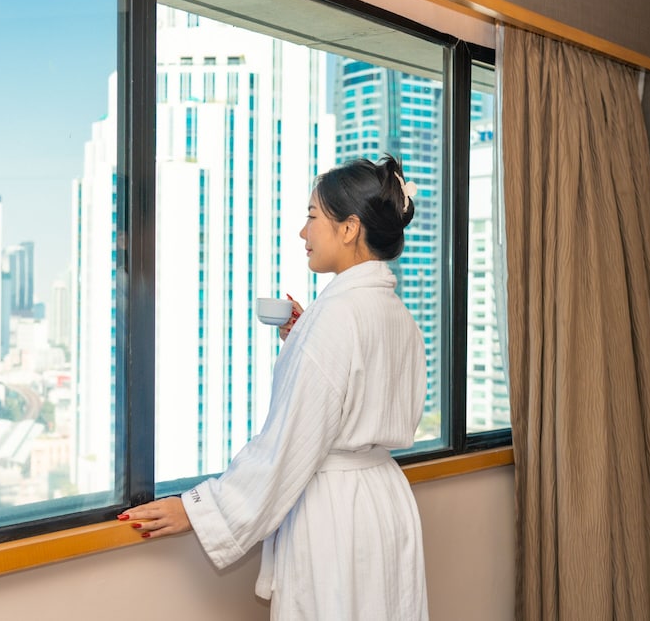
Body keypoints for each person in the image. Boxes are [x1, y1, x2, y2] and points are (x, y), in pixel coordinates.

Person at [119, 156, 429, 620]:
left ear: (349, 228)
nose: (303, 233)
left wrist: (198, 509)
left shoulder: (336, 317)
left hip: (336, 515)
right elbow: (362, 386)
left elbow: (288, 445)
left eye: (312, 217)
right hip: (385, 504)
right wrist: (305, 338)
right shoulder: (398, 315)